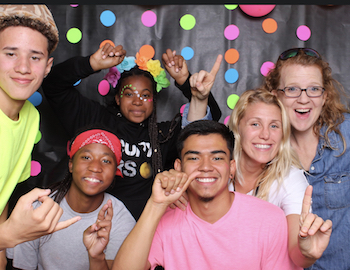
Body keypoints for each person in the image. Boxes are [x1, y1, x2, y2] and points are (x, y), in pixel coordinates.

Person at [41, 44, 222, 220]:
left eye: (145, 95)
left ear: (153, 100)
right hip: (99, 222)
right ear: (118, 98)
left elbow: (208, 123)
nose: (137, 102)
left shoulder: (163, 134)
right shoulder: (96, 120)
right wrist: (92, 63)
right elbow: (52, 85)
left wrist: (186, 83)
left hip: (148, 226)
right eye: (129, 94)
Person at [111, 119, 317, 270]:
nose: (206, 167)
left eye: (217, 158)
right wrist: (156, 204)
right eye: (194, 158)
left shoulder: (270, 219)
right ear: (178, 167)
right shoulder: (163, 220)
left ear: (231, 168)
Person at [263, 47, 350, 270]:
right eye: (292, 89)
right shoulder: (263, 146)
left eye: (314, 89)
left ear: (325, 96)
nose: (303, 99)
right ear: (275, 95)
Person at [0, 3, 80, 258]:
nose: (23, 67)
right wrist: (9, 236)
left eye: (35, 57)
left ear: (47, 66)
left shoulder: (31, 117)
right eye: (10, 54)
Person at [227, 89, 332, 269]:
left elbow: (297, 255)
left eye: (274, 126)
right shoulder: (216, 172)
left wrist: (307, 252)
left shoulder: (290, 178)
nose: (265, 135)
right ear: (238, 126)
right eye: (255, 124)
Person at [7, 127, 136, 270]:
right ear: (71, 165)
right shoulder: (39, 209)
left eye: (106, 161)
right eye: (86, 157)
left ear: (114, 172)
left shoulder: (120, 218)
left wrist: (96, 257)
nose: (95, 167)